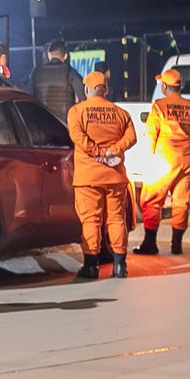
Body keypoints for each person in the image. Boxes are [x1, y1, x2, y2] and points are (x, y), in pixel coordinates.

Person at [66, 71, 137, 280]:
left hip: (88, 177)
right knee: (116, 219)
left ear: (86, 89)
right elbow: (131, 138)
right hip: (115, 176)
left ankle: (91, 266)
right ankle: (119, 266)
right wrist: (114, 150)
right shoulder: (120, 113)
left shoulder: (77, 111)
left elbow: (77, 137)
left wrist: (98, 152)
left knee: (91, 220)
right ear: (105, 90)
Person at [136, 68, 190, 257]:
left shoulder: (159, 106)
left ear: (165, 86)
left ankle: (150, 243)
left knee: (152, 199)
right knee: (181, 201)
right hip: (186, 157)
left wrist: (149, 159)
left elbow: (151, 134)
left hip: (164, 157)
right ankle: (177, 244)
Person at [30, 39, 87, 121]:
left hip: (41, 122)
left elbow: (27, 94)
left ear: (49, 54)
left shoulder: (36, 71)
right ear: (65, 56)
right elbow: (84, 95)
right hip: (63, 124)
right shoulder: (70, 72)